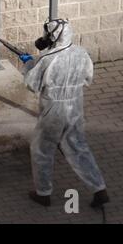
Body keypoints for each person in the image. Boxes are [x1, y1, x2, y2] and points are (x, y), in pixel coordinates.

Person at [19, 18, 109, 208]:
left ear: (53, 36)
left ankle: (43, 193)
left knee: (42, 149)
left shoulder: (47, 59)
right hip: (75, 106)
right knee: (78, 146)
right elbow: (88, 78)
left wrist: (28, 65)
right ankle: (99, 188)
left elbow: (31, 84)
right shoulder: (81, 53)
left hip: (53, 110)